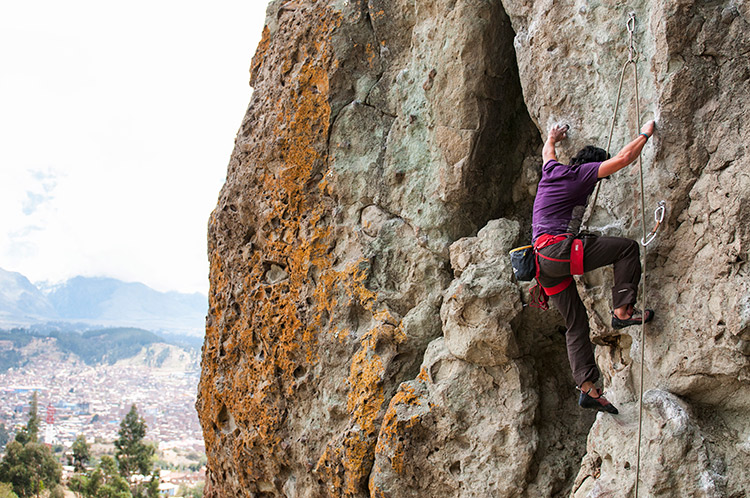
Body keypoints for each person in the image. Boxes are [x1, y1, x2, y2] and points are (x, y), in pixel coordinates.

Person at [532, 121, 656, 414]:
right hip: (558, 252)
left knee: (576, 323)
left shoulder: (552, 171)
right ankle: (622, 311)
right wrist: (646, 133)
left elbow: (547, 152)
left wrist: (553, 137)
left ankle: (587, 387)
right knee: (627, 248)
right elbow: (624, 159)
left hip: (542, 264)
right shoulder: (581, 175)